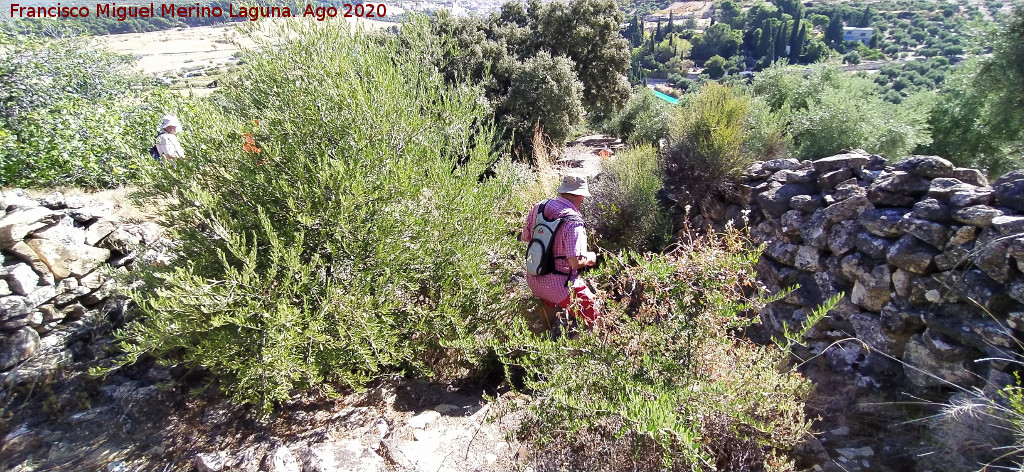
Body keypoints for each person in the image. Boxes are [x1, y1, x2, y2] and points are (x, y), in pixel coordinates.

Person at [521, 174, 600, 329]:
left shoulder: (540, 207)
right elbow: (575, 262)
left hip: (534, 278)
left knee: (549, 301)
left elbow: (526, 237)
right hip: (560, 287)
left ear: (562, 191)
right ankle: (576, 351)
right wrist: (591, 257)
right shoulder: (574, 222)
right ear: (581, 196)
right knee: (595, 314)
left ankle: (545, 335)